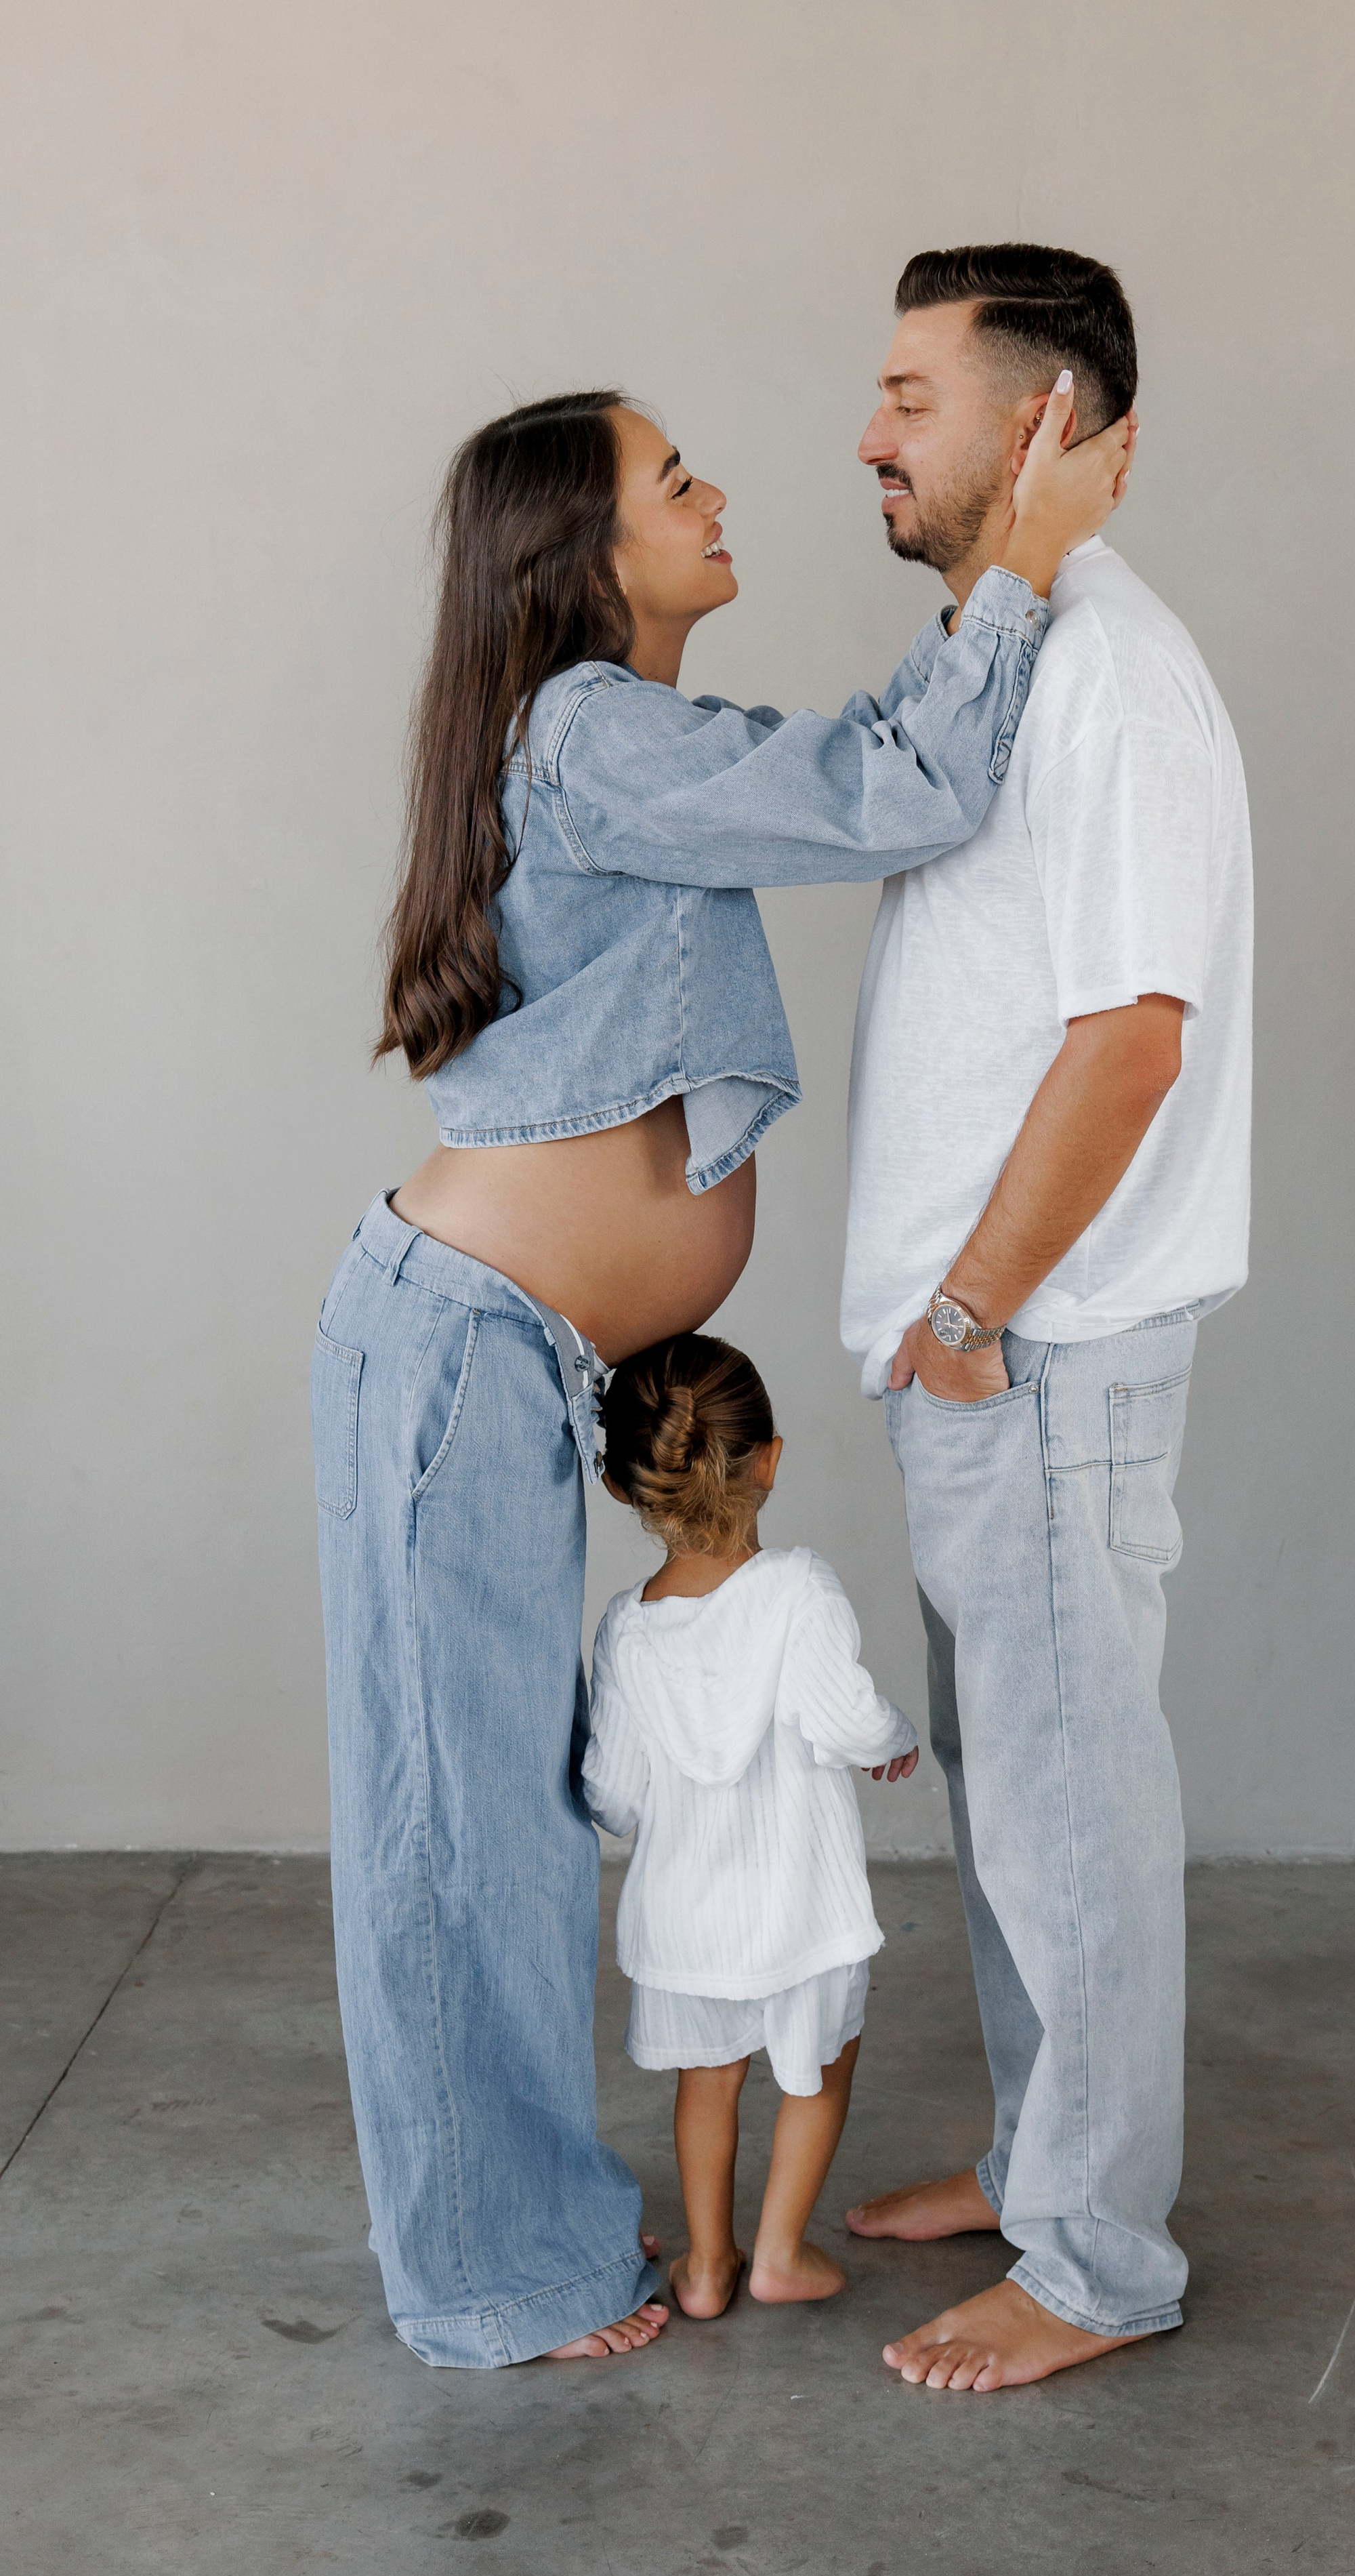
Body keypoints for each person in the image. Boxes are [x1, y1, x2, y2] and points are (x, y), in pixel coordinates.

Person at [311, 380, 1131, 2368]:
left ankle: (514, 2239)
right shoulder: (590, 731)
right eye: (671, 481)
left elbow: (845, 765)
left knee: (489, 1822)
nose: (716, 494)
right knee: (456, 1837)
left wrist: (996, 595)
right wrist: (1018, 568)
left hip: (485, 1355)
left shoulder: (613, 738)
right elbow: (891, 788)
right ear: (581, 557)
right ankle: (491, 2274)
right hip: (455, 1352)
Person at [840, 244, 1254, 2391]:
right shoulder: (1021, 654)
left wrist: (974, 1311)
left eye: (911, 397)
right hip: (991, 1355)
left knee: (1074, 1809)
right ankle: (1038, 2163)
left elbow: (1130, 1042)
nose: (868, 437)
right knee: (1018, 1797)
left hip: (1040, 1347)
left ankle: (1098, 2260)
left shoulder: (1110, 679)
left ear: (1042, 421)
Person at [584, 1334, 918, 2320]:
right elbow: (847, 1718)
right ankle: (778, 2253)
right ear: (769, 1460)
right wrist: (893, 1740)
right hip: (801, 1905)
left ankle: (706, 2266)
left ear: (625, 1486)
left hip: (686, 1918)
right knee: (823, 2065)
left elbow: (613, 1795)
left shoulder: (627, 1630)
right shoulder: (799, 1589)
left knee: (708, 2080)